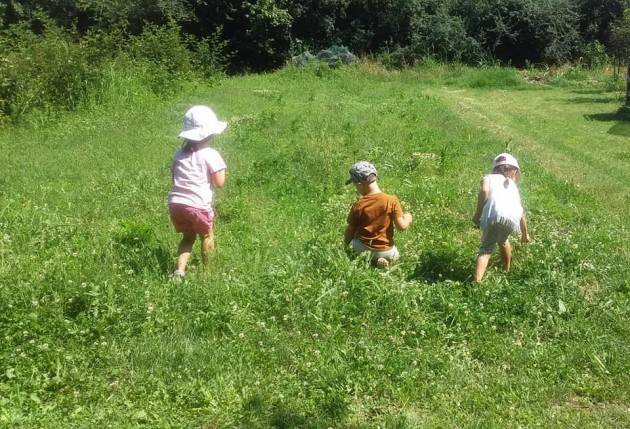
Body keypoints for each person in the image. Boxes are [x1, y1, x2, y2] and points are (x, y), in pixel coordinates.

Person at [168, 105, 228, 280]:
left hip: (176, 203)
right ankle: (207, 272)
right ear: (210, 133)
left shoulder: (178, 153)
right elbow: (219, 183)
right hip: (198, 204)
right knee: (207, 235)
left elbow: (174, 177)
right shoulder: (211, 154)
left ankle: (179, 272)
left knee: (188, 237)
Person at [471, 153, 530, 282]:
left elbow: (484, 192)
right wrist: (525, 234)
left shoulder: (488, 178)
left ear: (495, 169)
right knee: (503, 240)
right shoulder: (514, 187)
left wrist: (477, 215)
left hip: (494, 216)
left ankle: (476, 283)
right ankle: (506, 270)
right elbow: (521, 211)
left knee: (486, 249)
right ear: (514, 171)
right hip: (512, 218)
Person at [344, 161, 413, 268]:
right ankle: (383, 260)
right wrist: (408, 217)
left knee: (356, 244)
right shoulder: (392, 200)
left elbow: (350, 229)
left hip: (362, 249)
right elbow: (401, 227)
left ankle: (369, 260)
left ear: (359, 185)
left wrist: (345, 246)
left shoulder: (358, 204)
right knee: (395, 254)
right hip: (386, 251)